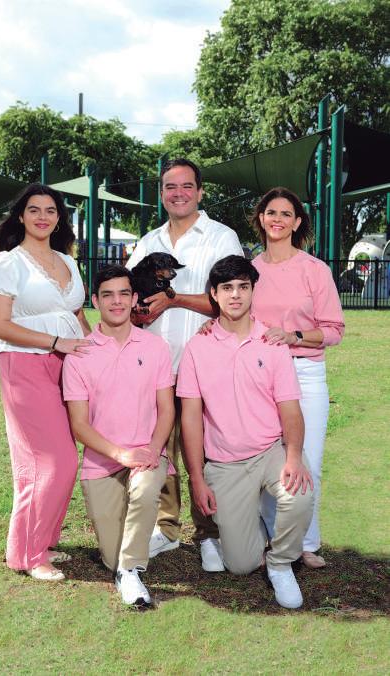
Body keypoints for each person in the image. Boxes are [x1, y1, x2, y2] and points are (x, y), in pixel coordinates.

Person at [126, 158, 243, 571]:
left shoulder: (221, 237)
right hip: (155, 368)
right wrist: (138, 311)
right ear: (161, 193)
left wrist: (173, 300)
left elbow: (232, 300)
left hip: (205, 366)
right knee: (161, 449)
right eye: (170, 187)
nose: (178, 194)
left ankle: (209, 533)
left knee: (206, 452)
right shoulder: (148, 241)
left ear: (200, 191)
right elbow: (128, 297)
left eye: (187, 186)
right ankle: (167, 528)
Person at [177, 255, 314, 609]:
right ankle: (251, 532)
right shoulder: (197, 347)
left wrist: (293, 457)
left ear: (253, 291)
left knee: (299, 493)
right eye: (227, 288)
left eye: (243, 287)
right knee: (240, 565)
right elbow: (190, 418)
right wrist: (197, 478)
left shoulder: (272, 342)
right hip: (225, 463)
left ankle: (281, 563)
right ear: (214, 294)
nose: (235, 295)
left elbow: (290, 408)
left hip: (270, 451)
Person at [0, 183, 91, 582]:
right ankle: (26, 553)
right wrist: (56, 342)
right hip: (24, 364)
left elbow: (77, 315)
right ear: (21, 216)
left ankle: (43, 541)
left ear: (59, 218)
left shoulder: (67, 261)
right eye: (34, 210)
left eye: (50, 210)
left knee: (64, 456)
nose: (42, 217)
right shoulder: (7, 263)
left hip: (68, 365)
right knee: (52, 461)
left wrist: (96, 352)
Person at [62, 265, 175, 607]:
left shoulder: (156, 347)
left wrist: (153, 449)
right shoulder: (80, 355)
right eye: (108, 295)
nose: (117, 301)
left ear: (134, 298)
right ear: (95, 301)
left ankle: (130, 573)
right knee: (111, 557)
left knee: (143, 493)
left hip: (146, 454)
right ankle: (129, 556)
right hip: (103, 462)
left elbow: (166, 410)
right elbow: (79, 425)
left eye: (124, 294)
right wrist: (121, 454)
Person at [251, 187, 345, 568]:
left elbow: (334, 329)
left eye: (286, 214)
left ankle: (306, 542)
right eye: (271, 212)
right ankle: (274, 538)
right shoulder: (250, 270)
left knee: (308, 460)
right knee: (265, 459)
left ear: (297, 222)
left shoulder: (315, 270)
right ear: (261, 219)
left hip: (305, 372)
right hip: (261, 375)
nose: (277, 219)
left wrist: (295, 336)